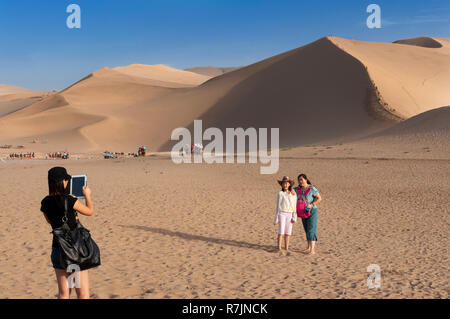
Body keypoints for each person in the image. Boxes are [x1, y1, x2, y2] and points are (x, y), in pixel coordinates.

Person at [40, 167, 95, 299]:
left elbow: (50, 221)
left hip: (58, 250)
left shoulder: (45, 202)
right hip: (74, 252)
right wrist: (87, 195)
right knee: (82, 294)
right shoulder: (70, 199)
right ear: (62, 181)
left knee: (64, 293)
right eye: (66, 180)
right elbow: (89, 211)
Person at [294, 174, 322, 255]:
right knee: (306, 229)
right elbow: (290, 192)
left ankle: (312, 249)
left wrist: (312, 204)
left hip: (312, 210)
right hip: (302, 211)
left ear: (306, 180)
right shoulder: (297, 189)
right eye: (299, 180)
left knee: (311, 228)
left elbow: (319, 198)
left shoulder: (312, 188)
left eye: (302, 179)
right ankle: (308, 247)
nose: (300, 181)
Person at [274, 176, 297, 255]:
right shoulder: (280, 193)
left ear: (289, 184)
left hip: (290, 214)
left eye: (287, 183)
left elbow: (294, 205)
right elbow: (278, 206)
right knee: (281, 231)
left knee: (288, 232)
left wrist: (294, 216)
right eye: (284, 183)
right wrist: (276, 217)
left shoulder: (293, 194)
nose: (285, 185)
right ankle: (279, 248)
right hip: (282, 213)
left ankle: (286, 248)